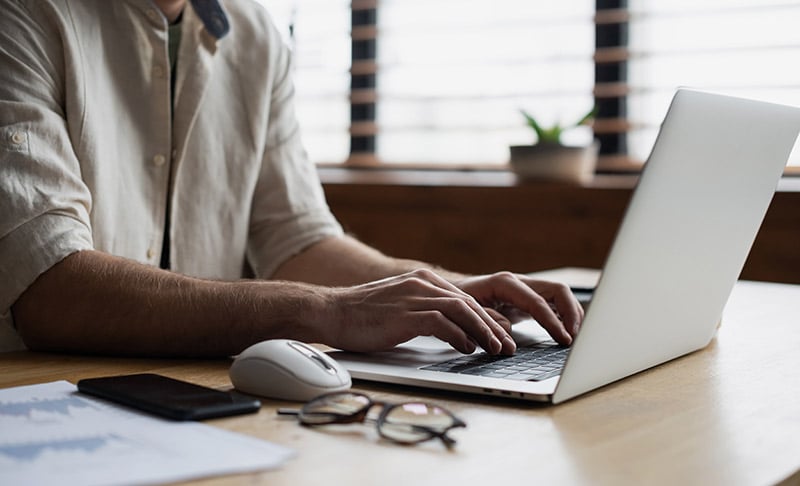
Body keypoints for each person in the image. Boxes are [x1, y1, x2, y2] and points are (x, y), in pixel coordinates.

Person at [0, 0, 583, 357]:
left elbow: (298, 239)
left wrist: (455, 290)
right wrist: (326, 310)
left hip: (188, 395)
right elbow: (50, 288)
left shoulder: (256, 35)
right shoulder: (21, 15)